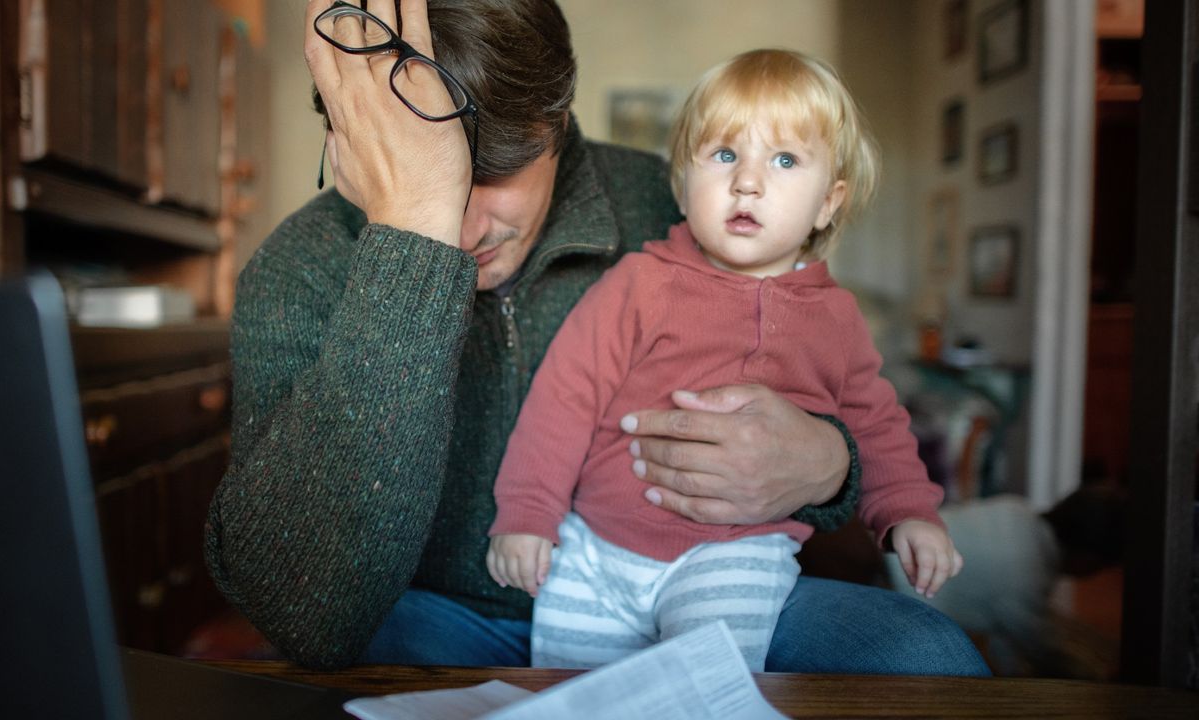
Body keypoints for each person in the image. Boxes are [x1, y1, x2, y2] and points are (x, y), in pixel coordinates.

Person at [204, 0, 988, 675]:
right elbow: (307, 615)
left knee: (925, 656)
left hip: (686, 580)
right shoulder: (298, 269)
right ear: (350, 142)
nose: (464, 225)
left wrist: (831, 463)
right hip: (435, 620)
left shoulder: (673, 205)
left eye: (489, 175)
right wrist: (409, 240)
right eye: (431, 182)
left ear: (557, 116)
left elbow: (833, 382)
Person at [486, 49, 962, 671]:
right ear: (684, 184)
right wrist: (526, 512)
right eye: (725, 155)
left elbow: (874, 425)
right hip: (595, 552)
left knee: (704, 688)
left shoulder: (835, 319)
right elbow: (564, 396)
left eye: (785, 160)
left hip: (734, 555)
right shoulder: (639, 284)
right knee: (571, 696)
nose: (749, 181)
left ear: (828, 202)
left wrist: (908, 511)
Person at [882, 486, 1127, 677]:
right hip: (892, 594)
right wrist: (1096, 676)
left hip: (889, 548)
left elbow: (1004, 629)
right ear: (1087, 559)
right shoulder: (1028, 576)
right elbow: (1043, 650)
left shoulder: (1015, 507)